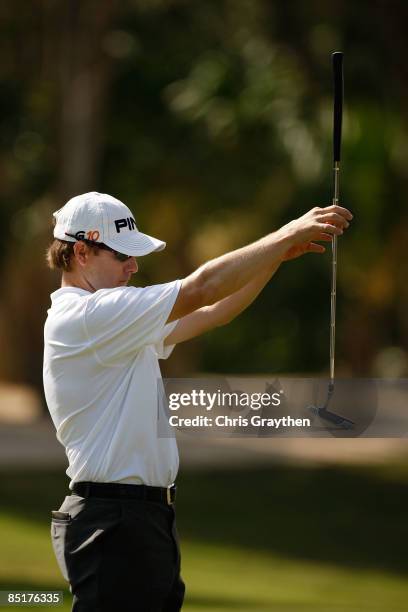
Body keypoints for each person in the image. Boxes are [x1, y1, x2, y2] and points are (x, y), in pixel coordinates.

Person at [43, 191, 352, 611]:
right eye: (122, 256)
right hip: (113, 522)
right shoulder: (88, 317)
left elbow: (214, 313)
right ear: (81, 251)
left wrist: (273, 258)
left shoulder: (111, 323)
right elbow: (203, 288)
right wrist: (282, 235)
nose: (134, 266)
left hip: (141, 521)